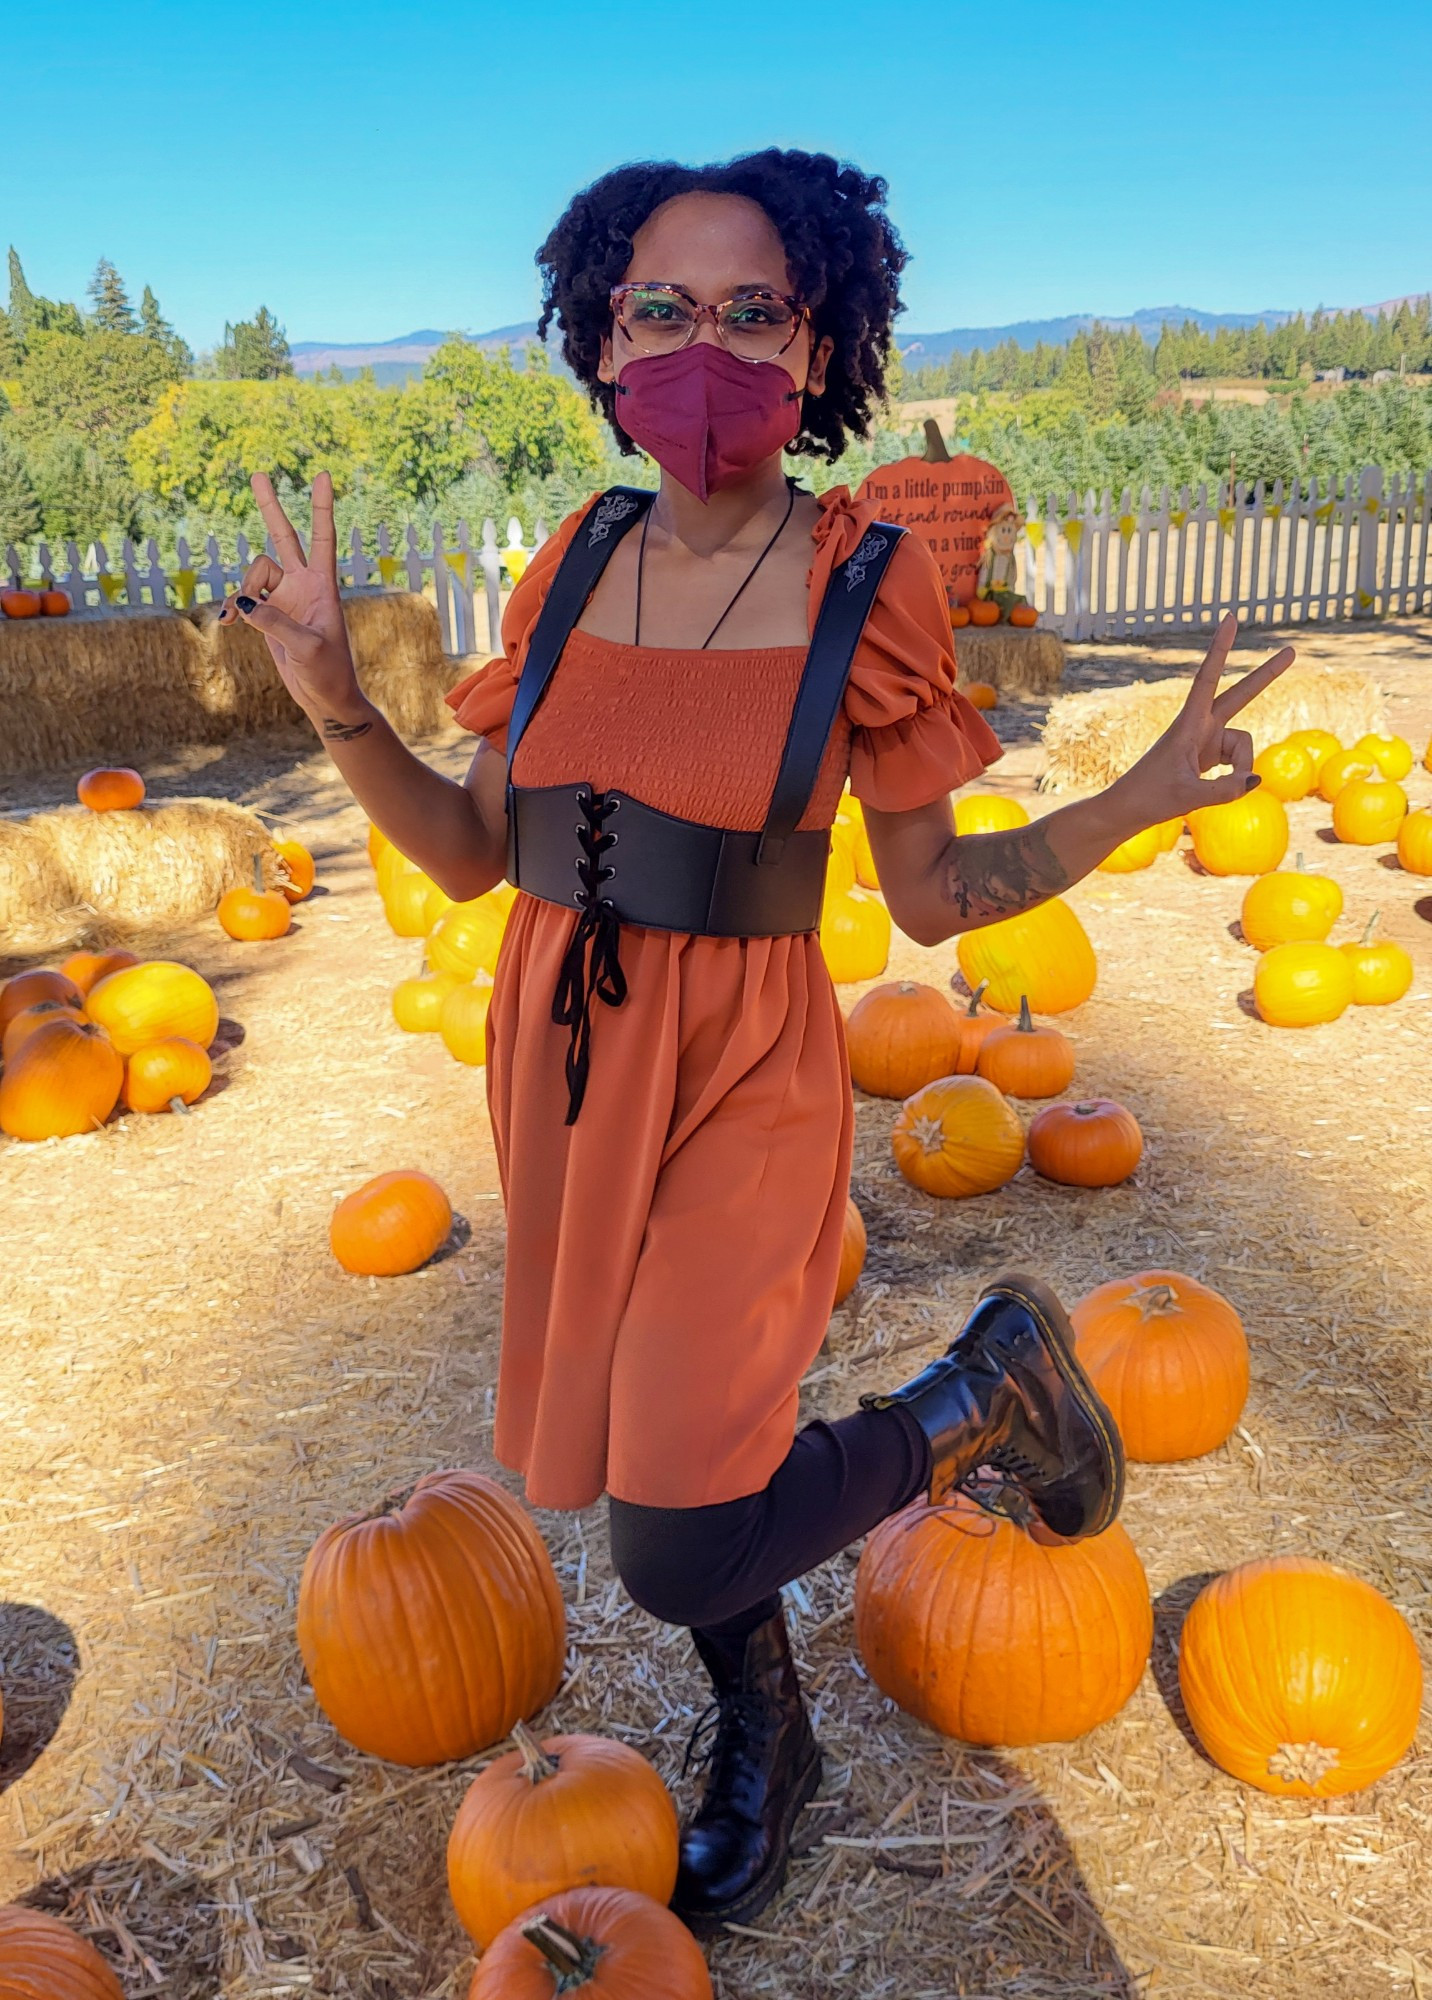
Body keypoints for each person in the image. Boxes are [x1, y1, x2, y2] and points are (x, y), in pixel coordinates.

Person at [221, 148, 1292, 1939]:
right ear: (602, 334)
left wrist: (1142, 796)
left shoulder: (865, 583)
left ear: (816, 348)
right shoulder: (574, 559)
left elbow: (943, 896)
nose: (699, 347)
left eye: (748, 313)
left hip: (740, 1075)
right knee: (661, 1446)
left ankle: (977, 1395)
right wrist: (335, 692)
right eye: (659, 308)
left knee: (675, 1532)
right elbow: (477, 852)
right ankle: (766, 1733)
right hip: (564, 1071)